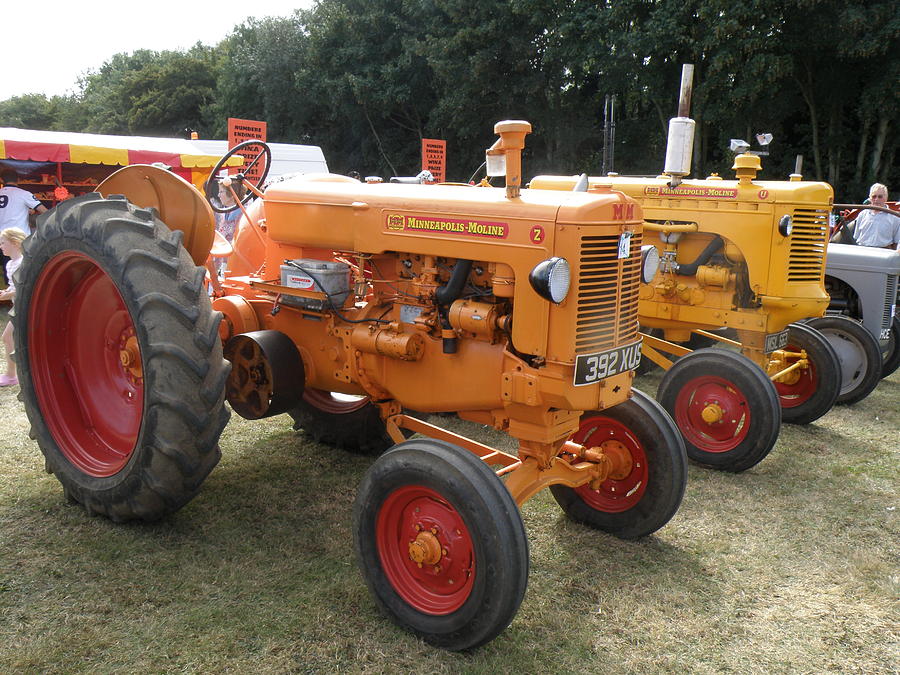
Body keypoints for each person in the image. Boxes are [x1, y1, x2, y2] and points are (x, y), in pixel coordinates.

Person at [0, 227, 27, 386]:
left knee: (7, 336)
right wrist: (7, 292)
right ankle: (12, 374)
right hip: (17, 308)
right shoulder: (10, 264)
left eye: (3, 243)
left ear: (15, 243)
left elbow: (24, 287)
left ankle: (11, 375)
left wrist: (9, 294)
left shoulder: (23, 263)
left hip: (23, 308)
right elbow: (14, 286)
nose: (1, 246)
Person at [0, 168, 48, 236]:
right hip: (19, 236)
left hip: (1, 236)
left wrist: (25, 210)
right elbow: (45, 211)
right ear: (18, 179)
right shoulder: (24, 194)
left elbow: (7, 208)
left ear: (1, 180)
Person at [853, 183, 900, 251]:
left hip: (883, 255)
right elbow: (856, 237)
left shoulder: (895, 218)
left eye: (880, 196)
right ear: (870, 198)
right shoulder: (862, 215)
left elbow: (897, 242)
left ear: (886, 198)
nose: (876, 199)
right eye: (874, 196)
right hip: (862, 252)